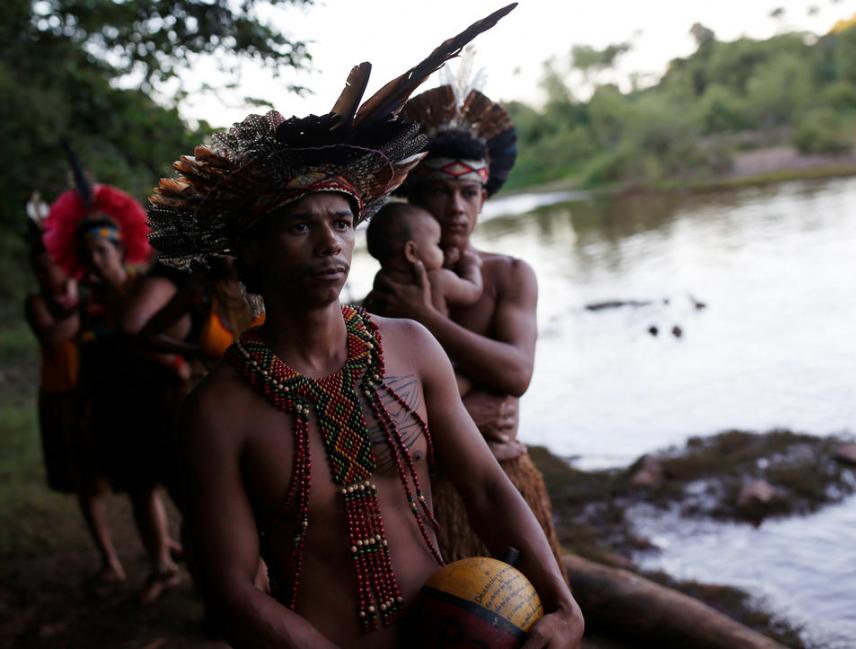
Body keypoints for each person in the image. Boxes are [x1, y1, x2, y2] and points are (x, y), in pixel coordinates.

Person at [147, 6, 582, 648]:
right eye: (300, 226)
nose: (330, 244)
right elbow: (232, 587)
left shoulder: (410, 346)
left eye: (341, 224)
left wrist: (564, 605)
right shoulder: (218, 411)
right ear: (252, 253)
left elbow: (487, 488)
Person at [370, 81, 567, 574]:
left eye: (468, 192)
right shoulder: (388, 289)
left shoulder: (509, 275)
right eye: (440, 190)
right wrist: (479, 388)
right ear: (412, 198)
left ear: (484, 199)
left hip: (503, 479)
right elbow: (380, 390)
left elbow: (518, 374)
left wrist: (429, 319)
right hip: (417, 493)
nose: (456, 207)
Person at [43, 164, 180, 598]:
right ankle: (161, 566)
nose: (96, 260)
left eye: (103, 251)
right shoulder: (87, 306)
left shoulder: (149, 290)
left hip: (161, 402)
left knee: (187, 489)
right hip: (114, 407)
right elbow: (71, 351)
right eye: (88, 255)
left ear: (121, 251)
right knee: (139, 490)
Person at [24, 193, 81, 495]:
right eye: (38, 270)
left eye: (49, 266)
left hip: (86, 389)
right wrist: (80, 305)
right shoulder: (36, 302)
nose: (44, 275)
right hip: (59, 393)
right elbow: (53, 336)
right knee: (75, 475)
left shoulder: (81, 293)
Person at [364, 201, 482, 322]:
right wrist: (471, 266)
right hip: (438, 340)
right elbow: (474, 291)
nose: (441, 250)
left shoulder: (381, 283)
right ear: (411, 252)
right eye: (436, 244)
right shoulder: (439, 279)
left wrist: (445, 264)